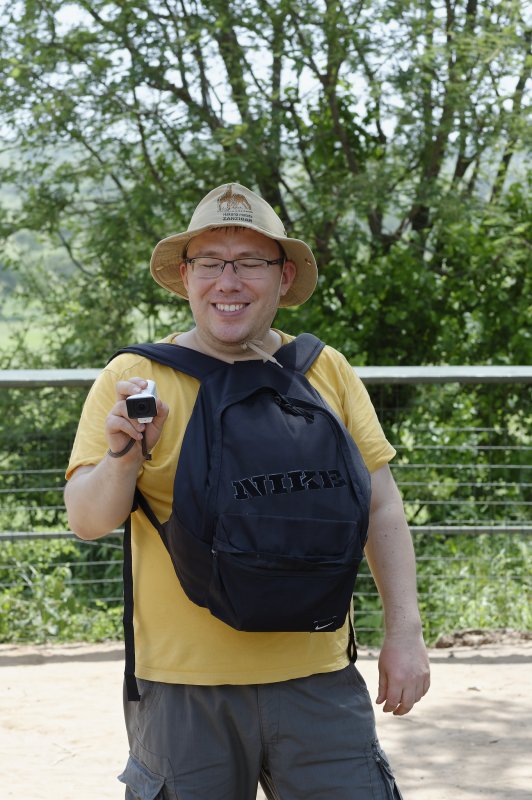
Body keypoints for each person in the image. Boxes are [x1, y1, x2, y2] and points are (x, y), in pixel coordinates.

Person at [65, 181, 430, 800]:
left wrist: (405, 632)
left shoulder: (325, 370)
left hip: (318, 676)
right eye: (210, 262)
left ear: (283, 276)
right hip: (183, 687)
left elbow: (381, 504)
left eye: (250, 263)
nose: (227, 282)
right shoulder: (135, 378)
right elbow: (87, 519)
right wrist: (124, 455)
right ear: (186, 276)